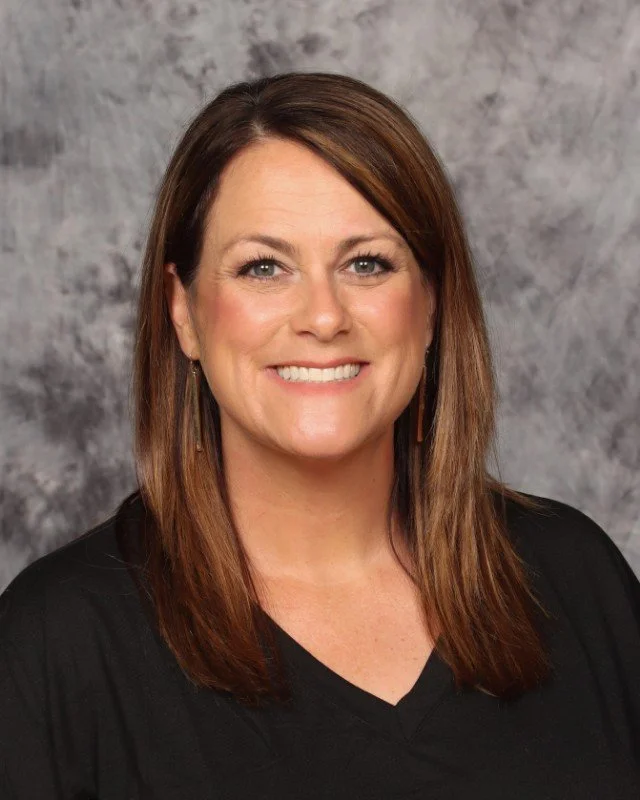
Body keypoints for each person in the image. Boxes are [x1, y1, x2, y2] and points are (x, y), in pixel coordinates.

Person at [1, 72, 639, 799]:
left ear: (430, 304)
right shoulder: (56, 644)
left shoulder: (575, 579)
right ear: (183, 312)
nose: (324, 316)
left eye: (366, 263)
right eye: (263, 268)